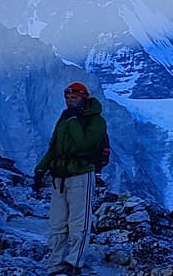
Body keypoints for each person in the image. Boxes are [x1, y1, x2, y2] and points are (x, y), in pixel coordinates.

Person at [32, 81, 109, 276]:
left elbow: (84, 144)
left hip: (82, 174)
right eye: (67, 97)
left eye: (73, 97)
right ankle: (55, 264)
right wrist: (40, 169)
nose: (69, 101)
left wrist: (72, 120)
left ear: (84, 98)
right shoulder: (66, 118)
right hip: (60, 176)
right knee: (57, 223)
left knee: (78, 222)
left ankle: (74, 263)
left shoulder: (95, 120)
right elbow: (54, 148)